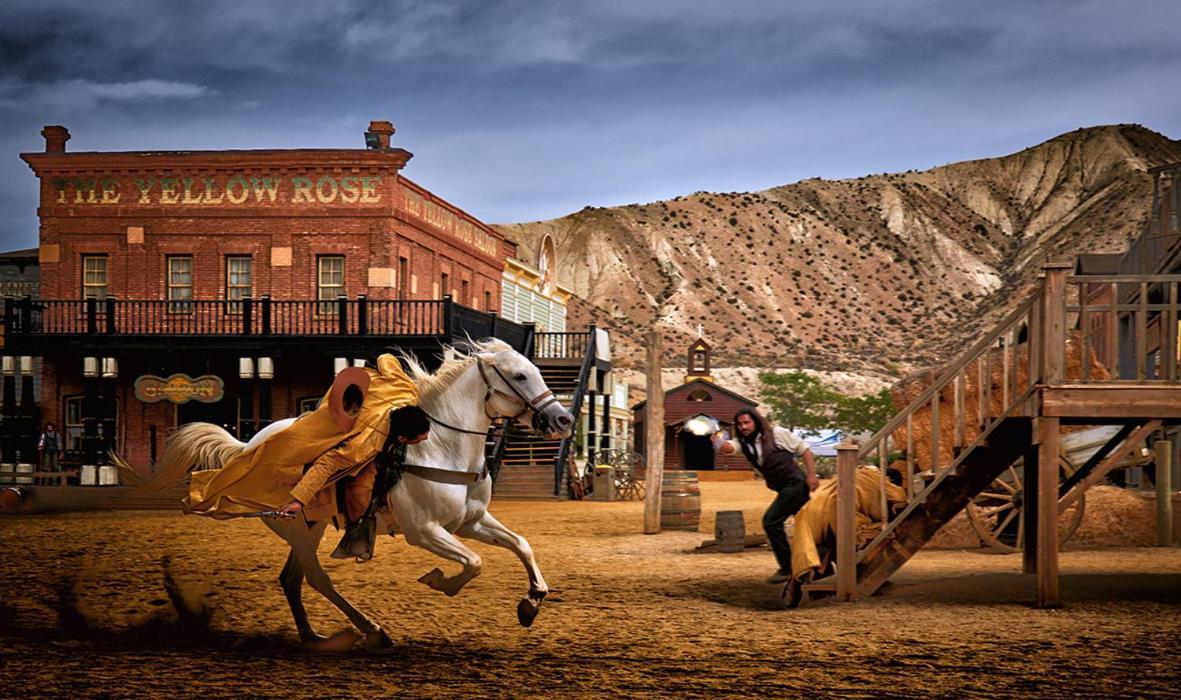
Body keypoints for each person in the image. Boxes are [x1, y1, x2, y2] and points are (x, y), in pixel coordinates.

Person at [712, 408, 818, 584]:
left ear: (756, 421)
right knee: (807, 523)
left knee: (771, 522)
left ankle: (787, 567)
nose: (743, 426)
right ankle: (808, 566)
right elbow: (728, 448)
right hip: (783, 488)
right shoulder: (744, 443)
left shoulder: (777, 433)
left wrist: (812, 475)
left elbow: (804, 449)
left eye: (747, 422)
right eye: (740, 424)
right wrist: (717, 440)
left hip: (795, 484)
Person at [277, 404, 430, 518]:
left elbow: (386, 361)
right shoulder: (361, 448)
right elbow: (327, 464)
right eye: (420, 439)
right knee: (360, 496)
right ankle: (356, 529)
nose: (427, 438)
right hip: (335, 442)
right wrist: (299, 501)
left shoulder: (399, 395)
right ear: (402, 438)